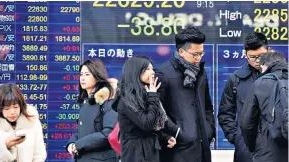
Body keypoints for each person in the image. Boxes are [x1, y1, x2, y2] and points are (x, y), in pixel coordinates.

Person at [155, 27, 215, 162]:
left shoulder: (201, 72)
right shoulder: (163, 73)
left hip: (202, 146)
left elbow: (207, 105)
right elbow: (157, 111)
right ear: (181, 51)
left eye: (201, 53)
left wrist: (209, 129)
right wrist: (176, 133)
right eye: (195, 54)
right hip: (177, 149)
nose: (199, 58)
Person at [112, 56, 178, 162]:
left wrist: (165, 137)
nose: (152, 72)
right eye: (147, 69)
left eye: (152, 69)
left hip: (150, 152)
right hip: (135, 154)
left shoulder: (146, 94)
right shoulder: (126, 99)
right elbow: (146, 124)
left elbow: (150, 127)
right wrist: (153, 96)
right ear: (136, 72)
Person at [217, 32, 269, 162]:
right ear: (246, 55)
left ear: (269, 51)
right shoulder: (236, 79)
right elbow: (225, 114)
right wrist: (238, 138)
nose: (258, 61)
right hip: (246, 150)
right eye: (253, 57)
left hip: (276, 149)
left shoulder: (282, 77)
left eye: (262, 56)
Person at [66, 59, 118, 162]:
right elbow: (83, 131)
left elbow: (108, 134)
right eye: (81, 75)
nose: (82, 78)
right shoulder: (85, 102)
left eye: (87, 74)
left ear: (97, 76)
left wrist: (79, 145)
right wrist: (71, 143)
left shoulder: (108, 99)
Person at [240, 51, 288, 162]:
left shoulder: (260, 83)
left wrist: (253, 146)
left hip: (267, 152)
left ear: (264, 66)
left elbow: (246, 123)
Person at [0, 83, 46, 162]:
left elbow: (39, 154)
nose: (12, 112)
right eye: (7, 109)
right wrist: (4, 146)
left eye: (16, 107)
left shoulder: (32, 121)